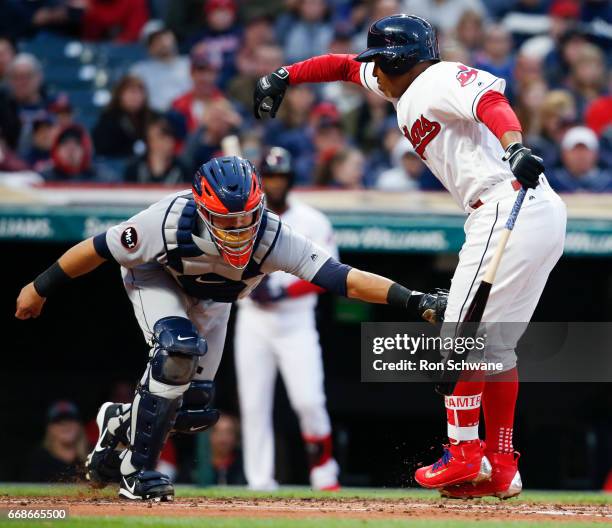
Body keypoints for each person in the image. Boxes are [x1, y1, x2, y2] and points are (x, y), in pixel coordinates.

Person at [254, 13, 567, 499]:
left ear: (398, 60)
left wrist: (514, 147)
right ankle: (502, 467)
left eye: (378, 60)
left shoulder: (437, 79)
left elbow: (491, 101)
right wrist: (284, 76)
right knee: (496, 348)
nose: (371, 71)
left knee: (458, 340)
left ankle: (463, 454)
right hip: (534, 212)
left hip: (507, 204)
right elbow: (339, 66)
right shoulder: (402, 86)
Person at [15, 155, 447, 501]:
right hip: (156, 278)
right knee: (177, 353)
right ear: (203, 211)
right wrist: (39, 287)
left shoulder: (274, 234)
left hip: (217, 301)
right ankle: (137, 472)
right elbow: (97, 249)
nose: (240, 231)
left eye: (247, 218)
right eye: (227, 221)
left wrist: (414, 300)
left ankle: (118, 424)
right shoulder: (166, 220)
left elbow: (341, 277)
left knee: (193, 408)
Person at [235, 147, 340, 491]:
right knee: (254, 404)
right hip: (254, 321)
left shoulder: (313, 220)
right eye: (271, 178)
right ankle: (260, 480)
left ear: (291, 179)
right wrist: (249, 285)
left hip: (296, 323)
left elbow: (328, 278)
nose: (276, 184)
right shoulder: (242, 219)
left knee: (309, 400)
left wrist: (283, 292)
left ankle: (324, 472)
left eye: (281, 177)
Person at [92, 75, 156, 159]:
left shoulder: (153, 118)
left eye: (140, 92)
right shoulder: (108, 119)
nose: (136, 97)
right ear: (120, 94)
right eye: (132, 92)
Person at [22, 401, 87, 483]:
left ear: (79, 425)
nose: (66, 425)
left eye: (70, 420)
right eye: (59, 422)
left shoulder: (93, 459)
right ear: (50, 428)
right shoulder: (39, 463)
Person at [131, 27, 192, 112]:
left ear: (173, 38)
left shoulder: (190, 63)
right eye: (154, 41)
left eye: (164, 37)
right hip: (153, 118)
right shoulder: (139, 70)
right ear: (148, 48)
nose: (162, 43)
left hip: (186, 116)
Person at [171, 45, 223, 133]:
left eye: (210, 71)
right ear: (191, 74)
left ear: (216, 75)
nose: (205, 77)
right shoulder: (177, 106)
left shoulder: (227, 104)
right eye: (200, 71)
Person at [124, 117, 191, 184]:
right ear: (149, 142)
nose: (165, 143)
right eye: (159, 138)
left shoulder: (183, 169)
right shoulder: (135, 168)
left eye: (168, 137)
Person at [548, 126, 612, 193]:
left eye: (586, 150)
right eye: (575, 150)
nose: (581, 155)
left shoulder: (608, 183)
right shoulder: (551, 183)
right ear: (564, 153)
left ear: (596, 153)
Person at [209, 414, 246, 485]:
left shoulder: (245, 464)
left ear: (236, 436)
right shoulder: (194, 467)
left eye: (229, 432)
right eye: (217, 432)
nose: (223, 438)